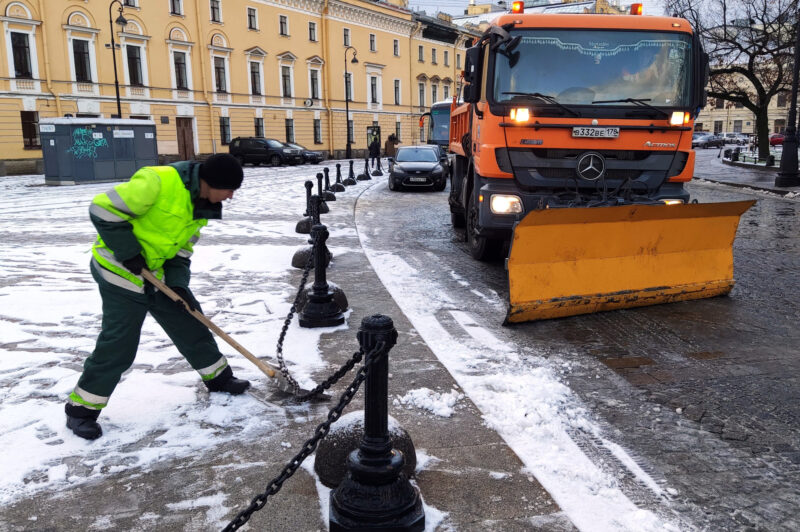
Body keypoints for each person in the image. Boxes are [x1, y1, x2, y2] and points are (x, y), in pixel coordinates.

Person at [65, 154, 250, 440]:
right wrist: (129, 253)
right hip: (120, 272)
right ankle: (81, 410)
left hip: (157, 273)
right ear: (209, 183)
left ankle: (219, 378)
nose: (232, 196)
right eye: (229, 189)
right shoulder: (158, 181)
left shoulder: (201, 205)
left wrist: (177, 285)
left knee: (190, 319)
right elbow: (102, 210)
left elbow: (181, 252)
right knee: (119, 343)